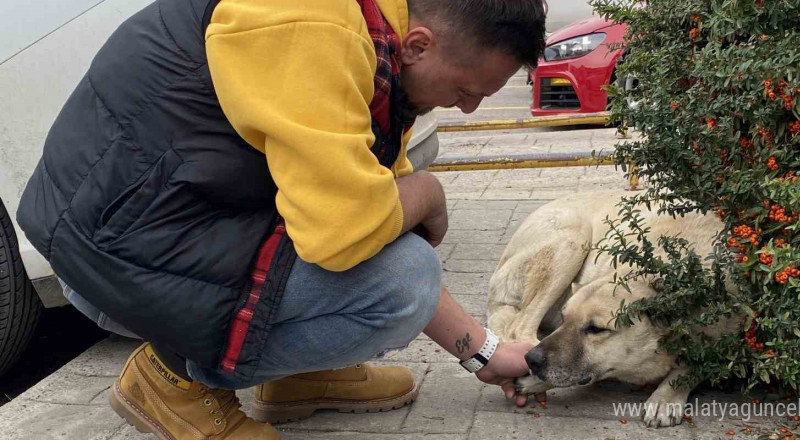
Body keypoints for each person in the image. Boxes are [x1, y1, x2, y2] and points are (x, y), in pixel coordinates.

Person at [16, 0, 546, 438]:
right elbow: (345, 233)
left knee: (387, 248)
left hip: (156, 231)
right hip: (104, 261)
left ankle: (295, 376)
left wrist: (486, 353)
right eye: (466, 91)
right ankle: (171, 379)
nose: (470, 110)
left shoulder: (380, 50)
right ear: (420, 44)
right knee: (405, 279)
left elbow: (371, 219)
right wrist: (428, 193)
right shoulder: (314, 26)